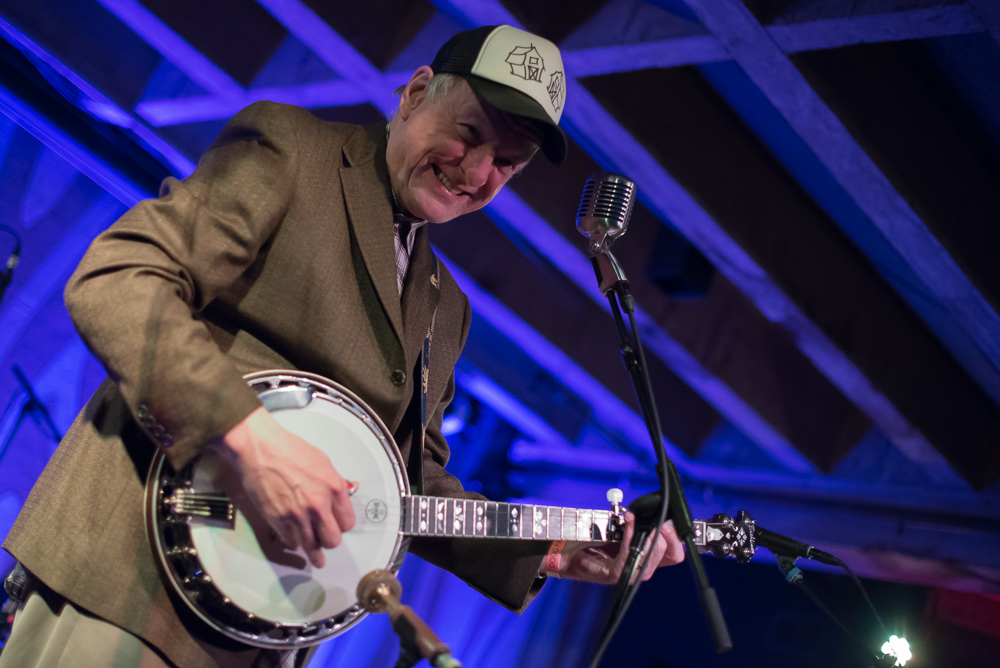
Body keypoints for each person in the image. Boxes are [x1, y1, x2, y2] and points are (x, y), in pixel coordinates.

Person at [1, 25, 683, 668]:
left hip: (260, 631)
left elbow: (409, 486)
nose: (476, 171)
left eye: (506, 162)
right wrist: (247, 436)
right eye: (468, 134)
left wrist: (553, 550)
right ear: (417, 93)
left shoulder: (448, 308)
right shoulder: (292, 148)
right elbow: (121, 277)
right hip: (130, 580)